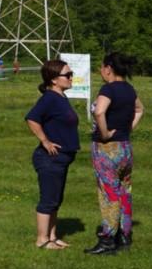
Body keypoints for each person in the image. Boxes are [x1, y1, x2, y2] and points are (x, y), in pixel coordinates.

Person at [84, 52, 144, 256]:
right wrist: (128, 129)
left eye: (101, 68)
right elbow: (140, 109)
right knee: (124, 190)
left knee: (108, 192)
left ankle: (108, 240)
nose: (100, 72)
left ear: (108, 68)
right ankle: (124, 236)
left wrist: (105, 133)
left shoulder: (108, 88)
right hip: (125, 147)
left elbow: (99, 111)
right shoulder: (129, 89)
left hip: (107, 149)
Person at [25, 58, 80, 250]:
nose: (71, 77)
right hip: (49, 159)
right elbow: (32, 118)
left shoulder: (61, 98)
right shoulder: (49, 98)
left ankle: (53, 236)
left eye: (71, 74)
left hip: (62, 159)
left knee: (56, 199)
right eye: (68, 75)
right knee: (48, 198)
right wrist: (45, 141)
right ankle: (42, 240)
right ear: (54, 79)